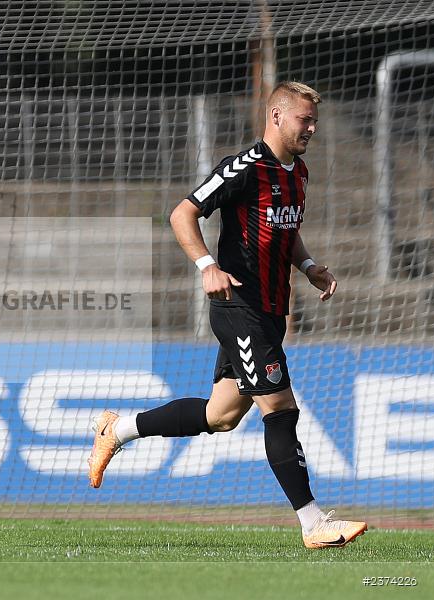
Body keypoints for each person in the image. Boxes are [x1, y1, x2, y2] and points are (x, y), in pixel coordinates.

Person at [88, 82, 368, 549]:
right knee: (280, 408)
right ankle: (313, 523)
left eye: (314, 121)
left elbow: (286, 231)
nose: (312, 129)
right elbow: (182, 214)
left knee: (220, 416)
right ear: (276, 116)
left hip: (270, 311)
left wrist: (308, 266)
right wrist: (207, 266)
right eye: (304, 120)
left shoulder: (298, 172)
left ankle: (116, 430)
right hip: (240, 308)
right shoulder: (244, 167)